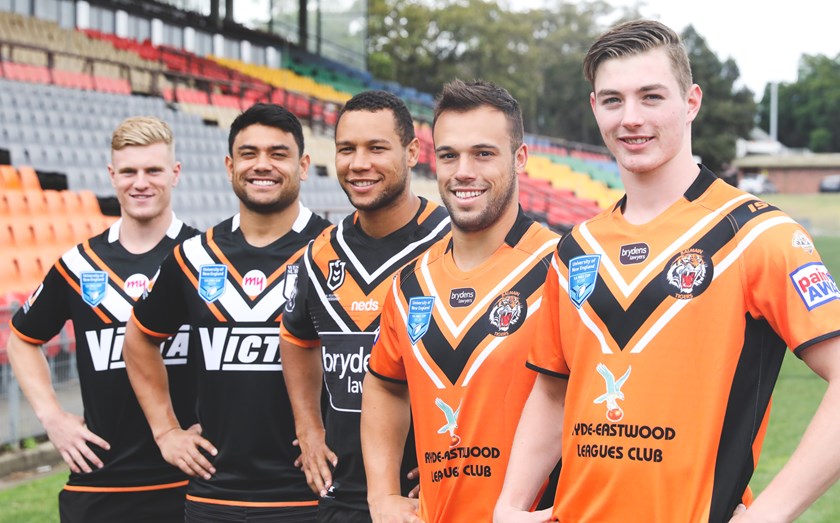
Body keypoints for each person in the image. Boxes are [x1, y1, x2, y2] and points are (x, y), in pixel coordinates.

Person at [494, 19, 840, 523]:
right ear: (595, 109)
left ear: (691, 101)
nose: (630, 118)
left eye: (651, 97)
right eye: (612, 100)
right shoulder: (575, 250)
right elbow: (553, 388)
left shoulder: (756, 234)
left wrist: (772, 512)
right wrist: (509, 505)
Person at [360, 79, 561, 523]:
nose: (463, 171)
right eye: (449, 155)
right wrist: (382, 495)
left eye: (483, 154)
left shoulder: (562, 269)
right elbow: (383, 383)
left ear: (520, 158)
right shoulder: (410, 284)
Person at [123, 103, 332, 522]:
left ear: (303, 165)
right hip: (215, 497)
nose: (262, 165)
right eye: (249, 153)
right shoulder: (194, 256)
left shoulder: (334, 250)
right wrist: (166, 431)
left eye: (278, 153)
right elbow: (139, 337)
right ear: (229, 165)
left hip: (316, 495)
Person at [7, 116, 199, 522]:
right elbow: (21, 339)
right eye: (128, 171)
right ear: (112, 176)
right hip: (100, 483)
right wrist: (52, 417)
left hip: (192, 480)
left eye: (153, 170)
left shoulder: (204, 257)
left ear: (175, 174)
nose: (140, 182)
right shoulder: (79, 264)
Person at [279, 90, 450, 523]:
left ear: (412, 153)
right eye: (346, 149)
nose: (359, 164)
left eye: (377, 148)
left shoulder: (453, 244)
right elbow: (296, 339)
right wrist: (308, 427)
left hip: (429, 498)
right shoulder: (317, 256)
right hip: (344, 496)